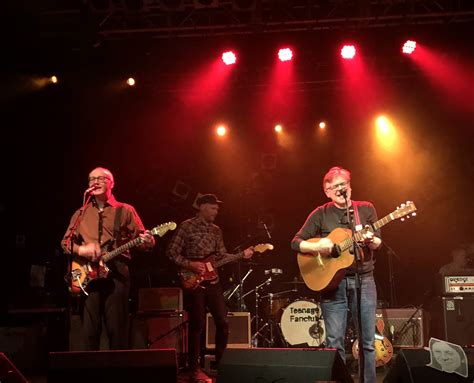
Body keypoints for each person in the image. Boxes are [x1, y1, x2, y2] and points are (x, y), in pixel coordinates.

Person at [291, 166, 382, 383]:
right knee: (335, 342)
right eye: (336, 186)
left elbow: (378, 241)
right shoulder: (321, 213)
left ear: (350, 186)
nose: (341, 189)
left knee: (368, 342)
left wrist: (372, 240)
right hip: (333, 284)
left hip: (364, 279)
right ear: (328, 191)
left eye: (344, 184)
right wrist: (318, 247)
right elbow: (295, 242)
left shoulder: (365, 209)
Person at [61, 167, 155, 350]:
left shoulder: (125, 210)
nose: (94, 182)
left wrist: (148, 241)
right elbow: (65, 243)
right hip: (88, 276)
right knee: (89, 331)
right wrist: (82, 250)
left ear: (112, 184)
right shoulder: (81, 213)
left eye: (100, 179)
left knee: (117, 329)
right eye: (91, 179)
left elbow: (143, 241)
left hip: (117, 272)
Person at [167, 193, 254, 382]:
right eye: (213, 208)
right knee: (197, 325)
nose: (217, 211)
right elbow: (171, 251)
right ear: (203, 207)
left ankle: (221, 364)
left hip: (213, 280)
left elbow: (221, 256)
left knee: (223, 322)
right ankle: (194, 369)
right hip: (194, 280)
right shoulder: (186, 226)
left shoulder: (216, 230)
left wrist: (241, 255)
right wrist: (190, 264)